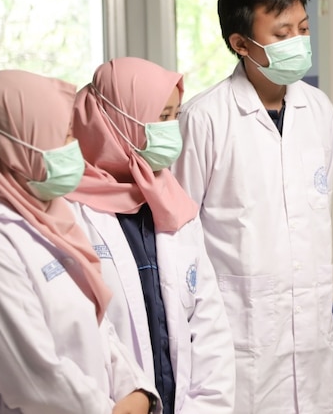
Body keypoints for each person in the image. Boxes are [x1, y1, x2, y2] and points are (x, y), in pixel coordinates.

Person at [0, 70, 159, 414]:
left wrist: (138, 390)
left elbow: (95, 324)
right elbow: (37, 382)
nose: (76, 150)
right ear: (17, 146)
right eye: (65, 136)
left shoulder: (44, 215)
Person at [172, 0, 333, 413]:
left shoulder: (318, 109)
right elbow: (179, 236)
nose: (298, 44)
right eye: (282, 34)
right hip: (238, 339)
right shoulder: (204, 118)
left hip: (312, 335)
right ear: (241, 43)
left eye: (303, 29)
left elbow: (317, 213)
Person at [65, 57, 236, 413]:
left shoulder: (171, 200)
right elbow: (76, 336)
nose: (172, 129)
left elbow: (208, 326)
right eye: (161, 117)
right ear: (117, 121)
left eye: (175, 115)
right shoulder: (70, 211)